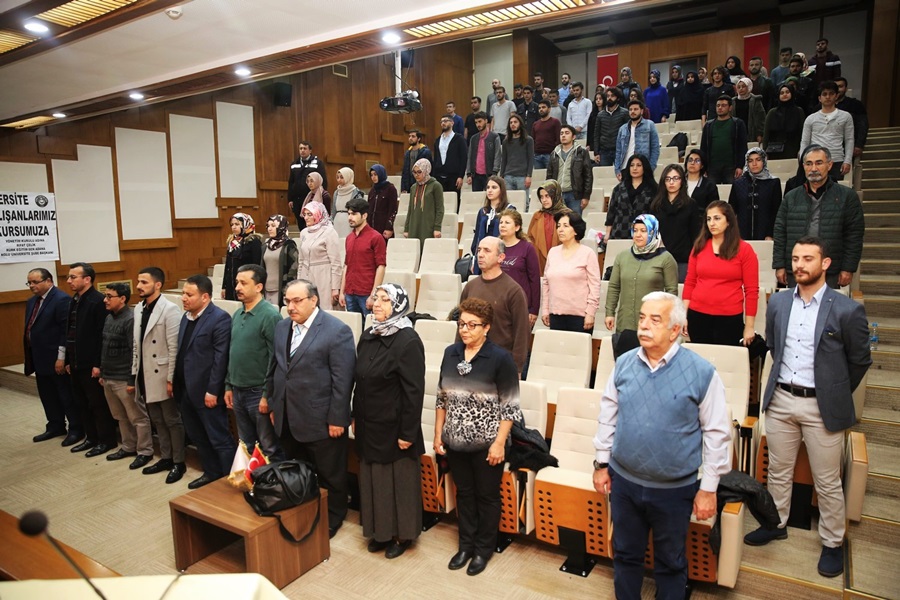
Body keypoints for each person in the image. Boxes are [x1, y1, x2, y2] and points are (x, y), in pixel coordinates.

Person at [743, 236, 871, 579]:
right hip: (782, 398)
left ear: (825, 264)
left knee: (827, 480)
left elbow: (859, 361)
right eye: (796, 258)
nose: (799, 265)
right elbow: (773, 346)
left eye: (808, 259)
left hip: (821, 406)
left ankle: (833, 542)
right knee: (778, 470)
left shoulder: (847, 309)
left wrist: (833, 391)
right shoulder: (779, 303)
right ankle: (776, 522)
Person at [593, 291, 731, 600]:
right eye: (642, 318)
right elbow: (607, 416)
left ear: (676, 330)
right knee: (626, 556)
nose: (643, 326)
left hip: (674, 490)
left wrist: (708, 488)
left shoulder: (701, 372)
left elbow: (718, 434)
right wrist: (601, 464)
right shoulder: (625, 363)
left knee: (670, 562)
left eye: (655, 320)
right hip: (625, 483)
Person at [434, 297, 522, 576]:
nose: (465, 330)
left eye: (472, 325)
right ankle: (465, 546)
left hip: (487, 444)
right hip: (455, 440)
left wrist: (499, 443)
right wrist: (438, 434)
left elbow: (510, 407)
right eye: (461, 323)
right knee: (465, 494)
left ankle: (483, 551)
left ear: (487, 328)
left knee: (486, 496)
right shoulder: (450, 353)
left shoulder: (500, 358)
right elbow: (441, 398)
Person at [266, 279, 356, 538]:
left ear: (313, 300)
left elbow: (344, 380)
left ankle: (333, 517)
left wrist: (338, 418)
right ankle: (305, 509)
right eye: (287, 301)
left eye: (297, 301)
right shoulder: (283, 327)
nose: (290, 307)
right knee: (298, 472)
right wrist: (274, 403)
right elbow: (276, 369)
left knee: (331, 475)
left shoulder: (336, 330)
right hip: (287, 416)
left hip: (322, 419)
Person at [353, 283, 425, 559]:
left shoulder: (407, 340)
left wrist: (407, 432)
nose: (378, 303)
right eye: (377, 298)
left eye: (385, 300)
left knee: (399, 483)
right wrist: (355, 415)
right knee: (375, 481)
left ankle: (402, 535)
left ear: (398, 305)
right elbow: (359, 379)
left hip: (395, 426)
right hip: (369, 422)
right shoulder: (369, 334)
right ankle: (380, 533)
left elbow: (413, 391)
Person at [773, 145, 864, 289]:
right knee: (796, 310)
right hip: (797, 269)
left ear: (829, 165)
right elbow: (780, 232)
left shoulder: (847, 196)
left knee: (826, 311)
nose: (813, 168)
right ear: (803, 166)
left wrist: (848, 268)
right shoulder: (791, 197)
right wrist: (779, 265)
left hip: (830, 270)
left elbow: (854, 235)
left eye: (819, 163)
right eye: (809, 164)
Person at [176, 274, 236, 489]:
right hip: (186, 390)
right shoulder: (186, 317)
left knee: (219, 438)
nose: (183, 298)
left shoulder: (219, 319)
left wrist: (213, 390)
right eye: (183, 293)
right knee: (198, 437)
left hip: (207, 393)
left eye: (189, 294)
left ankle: (230, 481)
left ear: (205, 297)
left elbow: (221, 359)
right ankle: (211, 473)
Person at [224, 265, 284, 464]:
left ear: (259, 287)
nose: (238, 287)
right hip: (238, 391)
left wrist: (267, 395)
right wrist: (228, 385)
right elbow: (232, 354)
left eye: (243, 283)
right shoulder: (237, 314)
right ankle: (254, 485)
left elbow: (275, 359)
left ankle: (273, 490)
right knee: (246, 444)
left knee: (269, 447)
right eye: (237, 283)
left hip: (258, 393)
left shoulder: (270, 315)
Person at [132, 267, 185, 484]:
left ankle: (179, 462)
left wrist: (172, 379)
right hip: (145, 373)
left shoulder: (170, 309)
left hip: (162, 373)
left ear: (158, 285)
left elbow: (174, 348)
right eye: (138, 281)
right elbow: (136, 345)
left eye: (144, 282)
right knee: (156, 419)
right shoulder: (138, 308)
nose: (138, 286)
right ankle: (166, 457)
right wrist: (133, 374)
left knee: (172, 420)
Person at [683, 201, 759, 346]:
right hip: (697, 315)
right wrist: (683, 316)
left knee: (726, 364)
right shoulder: (699, 247)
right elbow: (690, 282)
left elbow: (751, 291)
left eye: (717, 218)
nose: (712, 223)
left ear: (729, 220)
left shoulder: (744, 250)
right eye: (709, 219)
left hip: (729, 318)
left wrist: (749, 326)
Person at [64, 262, 118, 457]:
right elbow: (71, 333)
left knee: (97, 404)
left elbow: (100, 336)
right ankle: (91, 438)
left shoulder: (97, 301)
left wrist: (98, 364)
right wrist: (69, 359)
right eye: (69, 277)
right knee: (81, 402)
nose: (69, 280)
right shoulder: (74, 300)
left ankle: (106, 440)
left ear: (87, 279)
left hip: (91, 363)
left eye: (73, 277)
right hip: (76, 361)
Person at [24, 268, 82, 445]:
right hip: (39, 357)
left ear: (48, 281)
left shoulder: (61, 299)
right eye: (29, 283)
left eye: (35, 282)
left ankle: (76, 428)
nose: (32, 286)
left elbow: (65, 332)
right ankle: (55, 425)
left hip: (56, 358)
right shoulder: (32, 301)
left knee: (65, 395)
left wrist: (61, 357)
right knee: (47, 394)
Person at [99, 283, 152, 469]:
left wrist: (132, 379)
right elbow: (104, 346)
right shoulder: (108, 318)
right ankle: (128, 446)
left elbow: (134, 353)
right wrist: (103, 372)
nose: (105, 300)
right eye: (105, 296)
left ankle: (145, 451)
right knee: (120, 416)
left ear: (122, 298)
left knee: (138, 417)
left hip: (124, 378)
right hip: (109, 376)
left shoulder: (131, 319)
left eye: (109, 296)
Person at [460, 236, 531, 375]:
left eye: (487, 250)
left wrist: (517, 368)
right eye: (479, 250)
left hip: (500, 364)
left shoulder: (513, 290)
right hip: (470, 362)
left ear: (501, 257)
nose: (480, 254)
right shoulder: (470, 287)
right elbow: (461, 324)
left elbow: (522, 333)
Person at [605, 215, 678, 334]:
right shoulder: (622, 257)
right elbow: (614, 286)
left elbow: (671, 293)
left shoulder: (666, 259)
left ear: (653, 232)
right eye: (635, 230)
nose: (638, 235)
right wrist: (609, 313)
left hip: (653, 324)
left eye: (643, 231)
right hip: (625, 323)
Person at [541, 212, 602, 334]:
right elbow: (546, 283)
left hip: (580, 317)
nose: (560, 230)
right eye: (558, 226)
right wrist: (545, 310)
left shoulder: (587, 253)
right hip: (555, 315)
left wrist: (590, 313)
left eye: (565, 226)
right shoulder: (553, 252)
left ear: (575, 230)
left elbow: (595, 286)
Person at [650, 164, 703, 282]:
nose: (671, 182)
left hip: (683, 259)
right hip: (659, 258)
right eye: (668, 179)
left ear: (682, 181)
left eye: (675, 178)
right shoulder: (655, 205)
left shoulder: (691, 204)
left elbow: (695, 234)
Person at [340, 197, 387, 317]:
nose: (350, 217)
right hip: (350, 292)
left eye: (354, 214)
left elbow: (381, 267)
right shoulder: (349, 238)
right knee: (354, 330)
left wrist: (373, 295)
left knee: (369, 330)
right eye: (349, 214)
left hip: (366, 293)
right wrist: (342, 292)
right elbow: (346, 266)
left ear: (364, 215)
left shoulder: (376, 237)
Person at [800, 81, 854, 181]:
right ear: (819, 98)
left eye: (831, 94)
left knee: (835, 193)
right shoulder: (810, 119)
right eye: (824, 94)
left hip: (836, 159)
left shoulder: (846, 116)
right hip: (815, 161)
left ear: (836, 96)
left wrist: (847, 161)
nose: (828, 97)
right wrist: (803, 161)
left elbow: (849, 140)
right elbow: (805, 142)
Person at [498, 208, 541, 328]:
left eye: (507, 223)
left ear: (517, 227)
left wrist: (534, 310)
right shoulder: (494, 246)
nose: (503, 225)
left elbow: (535, 280)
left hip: (521, 305)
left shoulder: (527, 248)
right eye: (501, 222)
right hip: (498, 304)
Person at [729, 148, 783, 240]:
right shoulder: (738, 183)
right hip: (741, 234)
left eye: (758, 160)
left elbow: (776, 212)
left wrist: (770, 234)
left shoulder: (773, 182)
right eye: (750, 161)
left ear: (764, 161)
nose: (754, 164)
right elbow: (731, 211)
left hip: (765, 233)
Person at [297, 200, 342, 309]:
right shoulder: (304, 232)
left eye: (309, 214)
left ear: (318, 214)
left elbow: (335, 262)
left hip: (323, 276)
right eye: (305, 214)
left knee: (324, 308)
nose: (306, 217)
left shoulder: (329, 232)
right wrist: (298, 281)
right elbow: (301, 261)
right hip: (306, 275)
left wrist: (335, 288)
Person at [605, 154, 657, 241]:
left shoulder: (653, 189)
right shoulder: (619, 188)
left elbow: (656, 215)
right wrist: (607, 234)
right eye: (632, 165)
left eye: (639, 165)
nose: (635, 168)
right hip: (620, 232)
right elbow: (611, 213)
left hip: (644, 234)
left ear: (645, 168)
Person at [470, 176, 514, 275]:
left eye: (494, 187)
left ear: (501, 190)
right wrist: (474, 259)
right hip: (483, 254)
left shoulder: (509, 210)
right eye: (488, 187)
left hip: (501, 256)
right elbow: (477, 237)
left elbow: (511, 237)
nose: (490, 190)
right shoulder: (482, 211)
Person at [700, 96, 748, 184]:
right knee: (712, 195)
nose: (720, 108)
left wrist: (740, 166)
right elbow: (703, 148)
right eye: (718, 105)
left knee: (731, 194)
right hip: (712, 168)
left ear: (730, 107)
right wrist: (703, 167)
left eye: (723, 105)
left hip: (731, 167)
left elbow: (742, 147)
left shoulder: (738, 124)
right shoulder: (708, 125)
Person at [548, 125, 594, 215]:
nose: (563, 135)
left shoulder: (581, 152)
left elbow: (588, 175)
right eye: (561, 133)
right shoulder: (554, 153)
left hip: (575, 195)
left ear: (574, 137)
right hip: (558, 195)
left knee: (575, 225)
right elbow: (549, 176)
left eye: (567, 133)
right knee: (558, 224)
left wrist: (586, 196)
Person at [527, 180, 571, 274]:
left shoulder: (567, 215)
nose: (544, 200)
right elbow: (529, 239)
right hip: (539, 263)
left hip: (562, 262)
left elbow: (574, 240)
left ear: (555, 195)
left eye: (547, 196)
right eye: (541, 197)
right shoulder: (537, 216)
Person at [403, 157, 445, 249]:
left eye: (419, 172)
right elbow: (410, 209)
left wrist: (437, 228)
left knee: (427, 251)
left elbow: (440, 209)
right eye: (414, 172)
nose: (416, 175)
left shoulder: (436, 186)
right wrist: (406, 228)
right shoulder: (413, 187)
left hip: (428, 226)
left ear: (426, 170)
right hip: (414, 226)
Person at [614, 100, 660, 180]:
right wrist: (617, 170)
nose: (632, 111)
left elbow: (655, 148)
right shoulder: (622, 129)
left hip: (643, 168)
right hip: (625, 168)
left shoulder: (650, 125)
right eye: (631, 109)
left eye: (635, 109)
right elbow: (618, 151)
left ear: (641, 111)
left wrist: (650, 168)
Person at [222, 213, 263, 300]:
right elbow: (227, 266)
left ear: (246, 224)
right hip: (231, 283)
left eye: (237, 224)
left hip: (245, 282)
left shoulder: (253, 241)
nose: (233, 227)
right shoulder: (232, 242)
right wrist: (224, 286)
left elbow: (256, 265)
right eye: (232, 225)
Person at [260, 214, 298, 307]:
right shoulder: (265, 246)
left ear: (281, 226)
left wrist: (288, 289)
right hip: (266, 289)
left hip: (281, 289)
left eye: (273, 226)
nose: (269, 229)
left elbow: (294, 267)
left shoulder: (289, 245)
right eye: (268, 226)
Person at [433, 114, 468, 210]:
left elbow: (463, 158)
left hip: (454, 176)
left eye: (445, 121)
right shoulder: (437, 140)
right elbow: (435, 159)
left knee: (454, 203)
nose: (443, 123)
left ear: (452, 123)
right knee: (440, 203)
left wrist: (461, 176)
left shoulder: (459, 139)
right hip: (439, 176)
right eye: (441, 122)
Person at [288, 141, 327, 226]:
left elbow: (323, 180)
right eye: (300, 148)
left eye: (305, 148)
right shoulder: (294, 164)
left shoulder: (317, 163)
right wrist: (290, 199)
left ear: (310, 150)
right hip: (297, 199)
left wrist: (322, 194)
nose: (302, 150)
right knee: (301, 222)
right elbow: (291, 182)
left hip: (312, 197)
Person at [762, 84, 806, 160]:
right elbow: (766, 134)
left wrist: (801, 149)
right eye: (782, 93)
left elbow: (803, 132)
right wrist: (765, 151)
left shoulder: (799, 111)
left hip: (794, 150)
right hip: (774, 151)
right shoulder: (772, 112)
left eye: (787, 92)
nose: (785, 94)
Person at [500, 113, 534, 209]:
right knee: (508, 205)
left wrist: (529, 176)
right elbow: (504, 160)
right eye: (511, 123)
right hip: (508, 176)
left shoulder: (528, 140)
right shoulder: (506, 141)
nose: (513, 124)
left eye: (515, 122)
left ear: (520, 124)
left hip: (522, 177)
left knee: (524, 204)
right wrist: (501, 176)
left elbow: (531, 159)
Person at [465, 111, 501, 192]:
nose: (478, 124)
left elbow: (497, 155)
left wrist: (494, 172)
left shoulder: (494, 136)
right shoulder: (474, 138)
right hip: (476, 175)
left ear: (486, 121)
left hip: (489, 174)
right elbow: (470, 156)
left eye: (480, 121)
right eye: (476, 122)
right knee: (477, 199)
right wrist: (469, 174)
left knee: (489, 198)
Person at [594, 86, 629, 167]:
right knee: (605, 176)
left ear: (618, 98)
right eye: (608, 96)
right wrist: (596, 152)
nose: (609, 98)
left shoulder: (624, 113)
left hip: (619, 150)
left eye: (612, 96)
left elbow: (628, 132)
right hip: (604, 151)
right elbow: (596, 135)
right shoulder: (600, 115)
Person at [835, 78, 868, 162]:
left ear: (846, 88)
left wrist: (859, 145)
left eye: (840, 86)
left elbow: (862, 125)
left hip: (849, 146)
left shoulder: (856, 104)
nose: (838, 89)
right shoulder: (821, 107)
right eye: (835, 86)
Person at [367, 165, 399, 241]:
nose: (373, 177)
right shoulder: (372, 191)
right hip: (372, 228)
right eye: (371, 175)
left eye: (375, 174)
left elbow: (393, 210)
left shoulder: (390, 189)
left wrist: (389, 228)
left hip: (384, 228)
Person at [331, 167, 365, 238]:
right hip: (337, 221)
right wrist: (331, 220)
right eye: (337, 177)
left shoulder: (355, 192)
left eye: (342, 177)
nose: (339, 180)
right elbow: (334, 209)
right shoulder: (336, 192)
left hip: (349, 221)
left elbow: (360, 208)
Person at [733, 77, 766, 144]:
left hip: (751, 132)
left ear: (749, 87)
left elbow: (761, 118)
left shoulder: (756, 100)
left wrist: (760, 133)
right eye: (739, 87)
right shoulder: (733, 101)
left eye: (743, 86)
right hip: (737, 132)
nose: (741, 89)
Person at [400, 130, 433, 194]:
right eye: (409, 136)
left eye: (413, 136)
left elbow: (429, 170)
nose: (410, 138)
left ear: (419, 139)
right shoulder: (407, 153)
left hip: (422, 184)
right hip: (409, 184)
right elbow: (405, 171)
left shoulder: (425, 152)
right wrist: (403, 187)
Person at [532, 100, 561, 170]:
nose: (541, 109)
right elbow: (533, 139)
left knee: (550, 178)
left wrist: (555, 153)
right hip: (537, 156)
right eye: (539, 108)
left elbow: (558, 139)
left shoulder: (555, 122)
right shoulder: (535, 124)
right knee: (539, 179)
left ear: (549, 109)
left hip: (550, 155)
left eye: (543, 107)